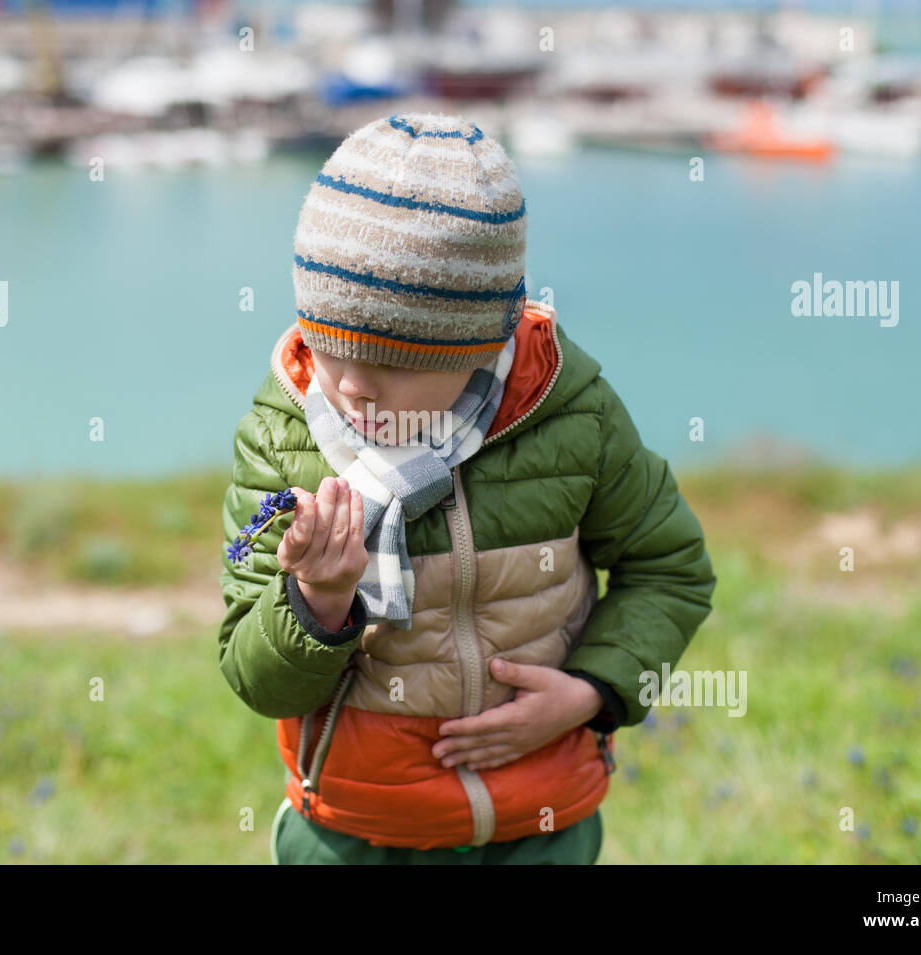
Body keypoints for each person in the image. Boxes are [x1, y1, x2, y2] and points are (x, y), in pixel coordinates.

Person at [218, 112, 716, 864]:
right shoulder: (284, 437)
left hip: (540, 819)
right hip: (353, 831)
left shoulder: (571, 412)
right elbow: (259, 683)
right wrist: (317, 602)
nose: (352, 387)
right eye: (327, 344)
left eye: (391, 360)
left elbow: (669, 568)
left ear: (484, 342)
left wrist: (588, 692)